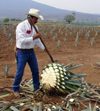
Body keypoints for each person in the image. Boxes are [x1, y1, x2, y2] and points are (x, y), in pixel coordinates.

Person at [12, 8, 49, 98]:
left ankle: (36, 89)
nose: (37, 20)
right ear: (30, 18)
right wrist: (33, 37)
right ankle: (15, 89)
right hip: (21, 52)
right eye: (36, 19)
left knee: (35, 71)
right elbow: (21, 40)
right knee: (20, 72)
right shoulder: (21, 26)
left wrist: (44, 48)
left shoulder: (35, 27)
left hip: (31, 52)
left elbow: (37, 41)